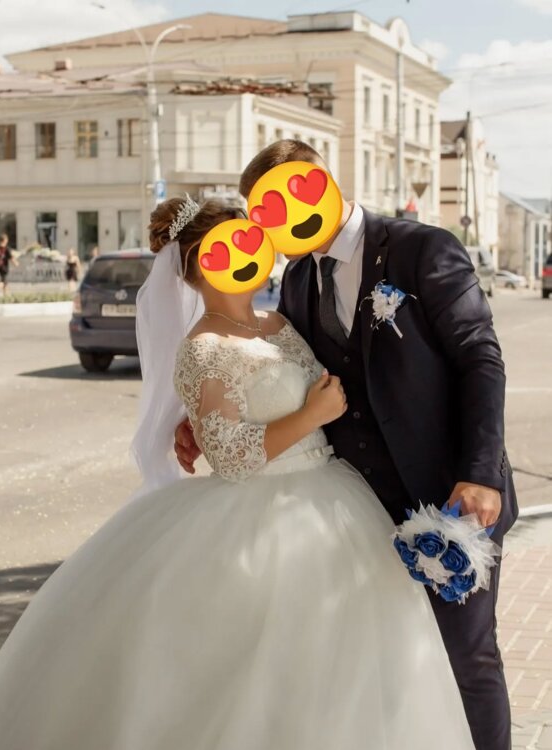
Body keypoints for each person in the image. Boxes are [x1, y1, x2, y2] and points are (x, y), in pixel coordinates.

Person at [0, 197, 475, 750]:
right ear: (197, 268)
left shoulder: (279, 321)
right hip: (262, 517)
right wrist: (311, 415)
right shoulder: (203, 347)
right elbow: (232, 457)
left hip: (334, 501)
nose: (248, 255)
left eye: (252, 241)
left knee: (353, 670)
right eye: (228, 248)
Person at [175, 140, 517, 750]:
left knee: (465, 659)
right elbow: (279, 372)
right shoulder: (297, 278)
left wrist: (481, 473)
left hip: (451, 498)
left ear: (321, 181)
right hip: (357, 514)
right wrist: (200, 417)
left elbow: (480, 360)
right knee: (390, 664)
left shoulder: (422, 249)